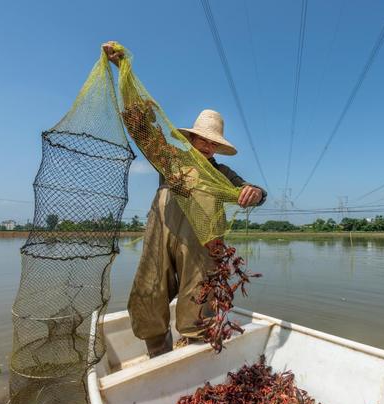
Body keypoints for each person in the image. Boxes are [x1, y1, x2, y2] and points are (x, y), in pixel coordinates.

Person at [102, 42, 267, 357]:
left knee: (199, 293)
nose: (206, 147)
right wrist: (123, 70)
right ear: (190, 139)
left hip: (202, 245)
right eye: (201, 140)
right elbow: (142, 131)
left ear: (217, 149)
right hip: (162, 233)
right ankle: (157, 351)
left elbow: (253, 192)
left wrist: (254, 193)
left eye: (212, 144)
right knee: (150, 288)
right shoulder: (170, 160)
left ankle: (192, 349)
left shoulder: (223, 174)